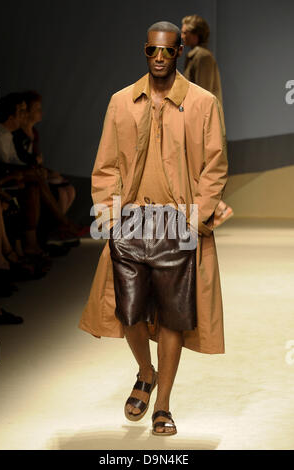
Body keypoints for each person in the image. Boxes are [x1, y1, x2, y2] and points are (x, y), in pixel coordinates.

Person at [79, 21, 228, 436]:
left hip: (177, 223)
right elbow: (106, 165)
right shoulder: (121, 102)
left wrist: (194, 221)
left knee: (172, 319)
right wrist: (110, 219)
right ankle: (145, 371)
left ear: (179, 52)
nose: (159, 58)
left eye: (166, 51)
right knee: (128, 313)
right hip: (131, 221)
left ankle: (162, 404)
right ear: (145, 51)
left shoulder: (202, 103)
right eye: (152, 51)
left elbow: (214, 167)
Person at [181, 14, 234, 227]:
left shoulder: (201, 57)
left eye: (186, 32)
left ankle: (218, 208)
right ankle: (213, 210)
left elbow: (201, 94)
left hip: (200, 122)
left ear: (196, 35)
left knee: (197, 167)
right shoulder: (196, 55)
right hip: (199, 121)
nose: (182, 35)